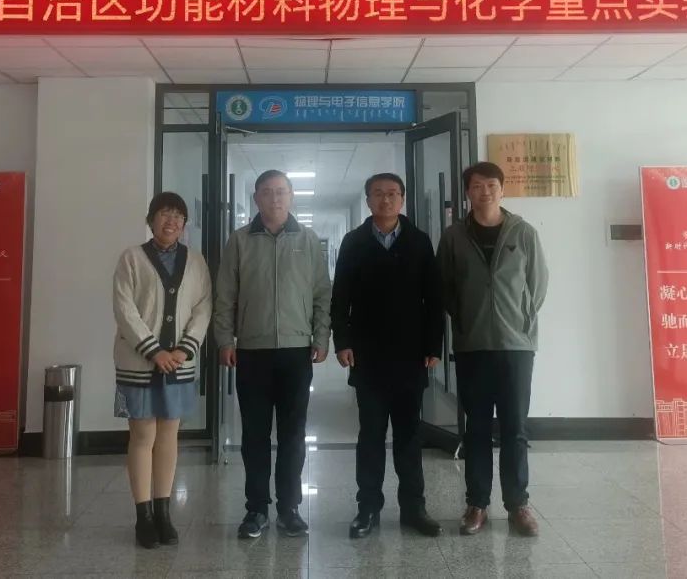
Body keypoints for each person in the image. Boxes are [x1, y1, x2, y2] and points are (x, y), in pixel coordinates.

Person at [214, 170, 331, 540]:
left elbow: (322, 294)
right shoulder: (239, 241)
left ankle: (289, 508)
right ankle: (256, 509)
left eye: (281, 191)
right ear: (256, 199)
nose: (275, 198)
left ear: (291, 196)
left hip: (296, 351)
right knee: (255, 434)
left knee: (293, 434)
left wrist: (321, 336)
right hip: (252, 350)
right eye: (267, 192)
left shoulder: (308, 240)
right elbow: (225, 296)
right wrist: (225, 340)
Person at [438, 162, 549, 538]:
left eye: (490, 185)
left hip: (516, 346)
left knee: (515, 427)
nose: (484, 191)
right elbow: (445, 287)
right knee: (477, 429)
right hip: (473, 346)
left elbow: (537, 284)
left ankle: (518, 504)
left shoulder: (523, 232)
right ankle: (477, 504)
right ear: (467, 192)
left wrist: (520, 320)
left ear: (502, 190)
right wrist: (465, 321)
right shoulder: (454, 236)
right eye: (476, 186)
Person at [331, 173, 444, 539]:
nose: (385, 200)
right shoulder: (354, 242)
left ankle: (414, 508)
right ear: (368, 200)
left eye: (392, 193)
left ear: (402, 199)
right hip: (368, 356)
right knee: (371, 435)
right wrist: (342, 341)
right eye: (378, 194)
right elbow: (340, 297)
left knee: (409, 436)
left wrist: (434, 346)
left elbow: (434, 298)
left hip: (411, 355)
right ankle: (368, 508)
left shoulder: (418, 241)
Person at [112, 192, 212, 549]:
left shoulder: (196, 261)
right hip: (139, 363)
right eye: (164, 214)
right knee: (143, 436)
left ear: (185, 224)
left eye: (178, 216)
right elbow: (124, 309)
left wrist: (184, 349)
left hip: (179, 364)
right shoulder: (132, 258)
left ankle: (163, 512)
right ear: (151, 219)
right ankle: (143, 516)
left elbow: (203, 307)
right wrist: (154, 351)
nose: (171, 222)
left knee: (169, 436)